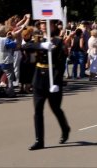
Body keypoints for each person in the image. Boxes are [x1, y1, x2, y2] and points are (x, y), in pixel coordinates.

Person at [28, 21, 70, 151]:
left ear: (53, 26)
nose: (43, 26)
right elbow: (25, 47)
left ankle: (65, 128)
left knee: (55, 108)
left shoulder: (58, 42)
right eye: (41, 24)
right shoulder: (38, 40)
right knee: (38, 110)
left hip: (52, 80)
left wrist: (57, 82)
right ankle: (39, 141)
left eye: (47, 24)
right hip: (39, 79)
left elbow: (61, 63)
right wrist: (41, 45)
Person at [0, 24, 17, 98]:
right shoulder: (6, 40)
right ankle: (11, 92)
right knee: (10, 77)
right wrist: (12, 37)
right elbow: (14, 45)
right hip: (6, 61)